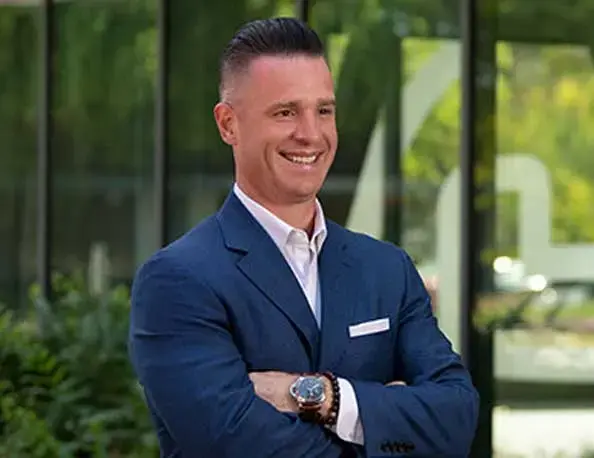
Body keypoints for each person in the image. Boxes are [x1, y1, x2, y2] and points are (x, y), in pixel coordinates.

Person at [128, 17, 479, 458]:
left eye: (324, 111)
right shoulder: (178, 281)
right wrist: (389, 424)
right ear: (228, 124)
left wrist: (321, 396)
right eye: (285, 112)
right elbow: (236, 444)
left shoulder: (387, 270)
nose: (311, 134)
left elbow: (456, 418)